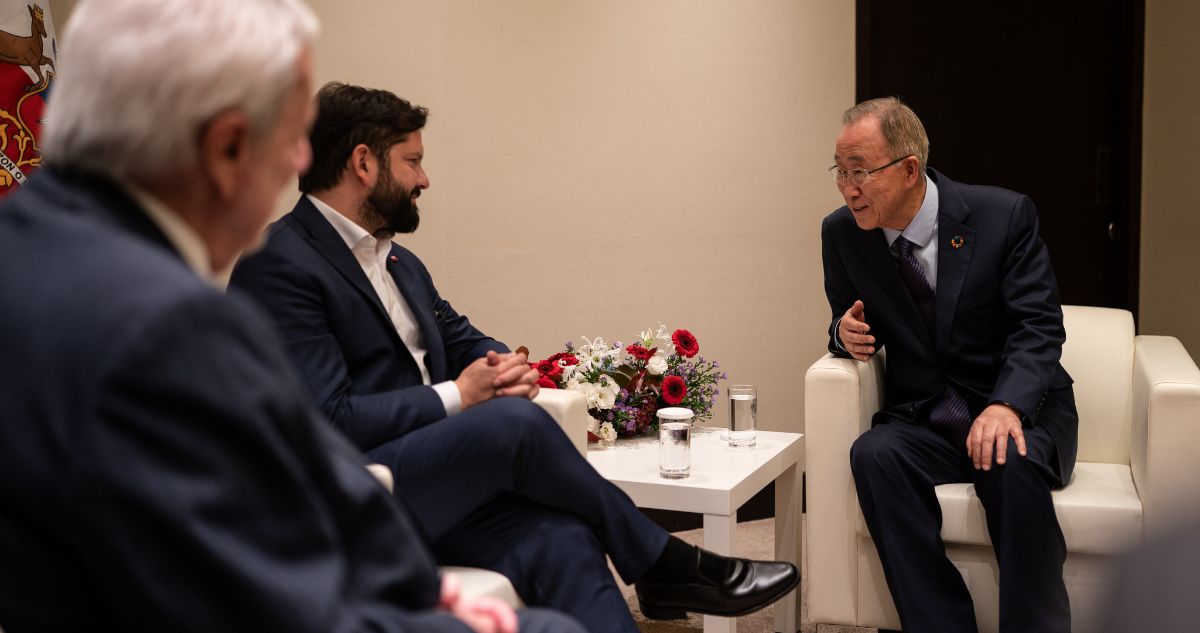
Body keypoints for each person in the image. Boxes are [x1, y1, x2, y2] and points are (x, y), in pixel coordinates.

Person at [0, 1, 585, 632]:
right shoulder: (158, 325)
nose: (299, 164)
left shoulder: (30, 246)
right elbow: (266, 594)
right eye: (293, 138)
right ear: (227, 145)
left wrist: (416, 585)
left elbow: (303, 467)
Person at [228, 82, 799, 633]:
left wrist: (503, 364)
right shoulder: (279, 265)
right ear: (362, 163)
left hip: (432, 486)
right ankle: (663, 564)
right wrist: (461, 394)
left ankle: (661, 572)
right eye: (412, 161)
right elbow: (326, 422)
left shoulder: (399, 263)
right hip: (347, 500)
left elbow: (462, 339)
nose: (425, 179)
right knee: (510, 423)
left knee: (564, 540)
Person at [821, 97, 1077, 633]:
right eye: (840, 173)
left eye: (861, 172)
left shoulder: (1003, 215)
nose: (848, 189)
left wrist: (1006, 405)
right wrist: (843, 335)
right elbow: (847, 320)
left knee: (1006, 457)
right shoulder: (842, 234)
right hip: (928, 416)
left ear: (909, 169)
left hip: (1016, 407)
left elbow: (1039, 327)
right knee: (874, 453)